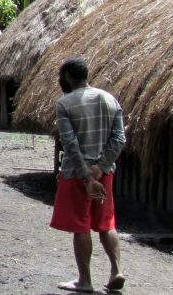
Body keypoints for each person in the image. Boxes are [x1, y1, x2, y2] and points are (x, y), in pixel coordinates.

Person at [51, 56, 127, 294]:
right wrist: (101, 167)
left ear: (68, 77)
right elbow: (119, 140)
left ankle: (85, 280)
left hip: (76, 174)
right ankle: (117, 270)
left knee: (81, 226)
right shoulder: (110, 100)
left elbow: (70, 144)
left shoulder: (65, 103)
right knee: (106, 223)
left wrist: (86, 174)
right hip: (104, 175)